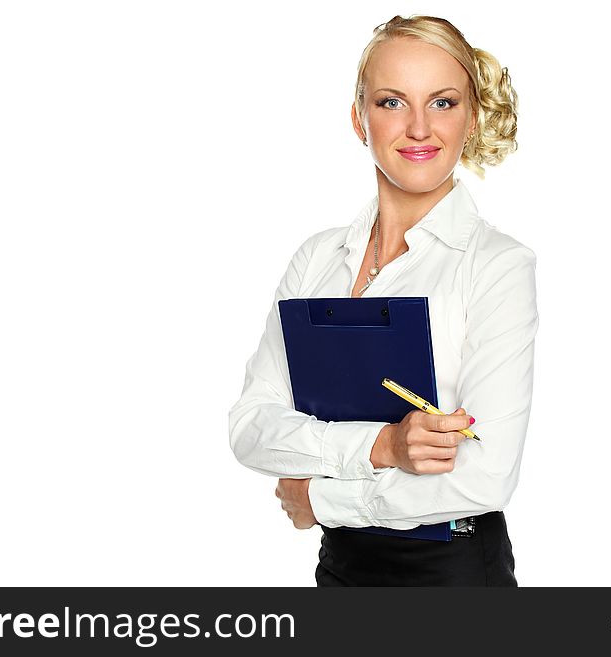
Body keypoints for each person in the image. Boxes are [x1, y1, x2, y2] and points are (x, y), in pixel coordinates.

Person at [228, 14, 538, 586]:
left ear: (470, 118)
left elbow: (484, 476)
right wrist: (384, 445)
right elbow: (251, 428)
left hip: (454, 578)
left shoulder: (496, 265)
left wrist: (323, 501)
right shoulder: (316, 260)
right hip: (342, 570)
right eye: (393, 102)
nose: (419, 128)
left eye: (443, 103)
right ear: (358, 118)